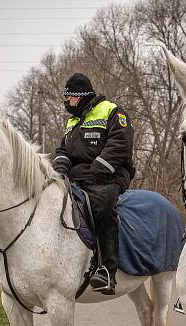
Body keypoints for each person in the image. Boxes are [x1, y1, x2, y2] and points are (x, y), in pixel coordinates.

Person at [52, 73, 135, 295]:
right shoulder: (73, 122)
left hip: (108, 177)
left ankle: (107, 270)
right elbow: (63, 150)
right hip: (79, 178)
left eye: (68, 97)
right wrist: (59, 168)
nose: (66, 102)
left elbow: (121, 143)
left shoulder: (113, 111)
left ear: (80, 97)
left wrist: (98, 168)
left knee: (103, 206)